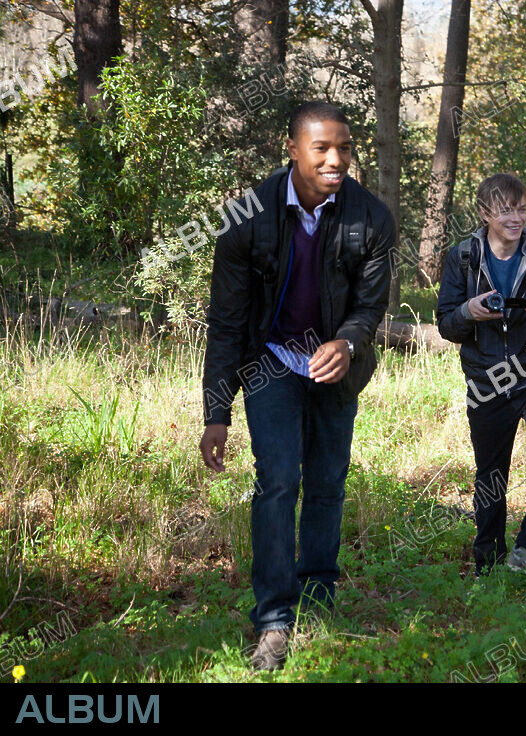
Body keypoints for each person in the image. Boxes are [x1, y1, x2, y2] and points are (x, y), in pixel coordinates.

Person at [199, 101, 395, 670]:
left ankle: (319, 597)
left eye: (344, 148)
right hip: (271, 364)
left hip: (337, 365)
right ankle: (274, 618)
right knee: (279, 481)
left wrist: (348, 344)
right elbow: (228, 322)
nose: (336, 160)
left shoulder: (371, 216)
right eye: (322, 148)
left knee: (328, 482)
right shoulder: (246, 217)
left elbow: (370, 306)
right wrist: (217, 412)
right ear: (292, 150)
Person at [436, 173, 526, 580]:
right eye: (505, 210)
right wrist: (469, 312)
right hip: (486, 380)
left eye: (521, 209)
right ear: (485, 213)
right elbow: (446, 324)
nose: (516, 218)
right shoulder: (463, 256)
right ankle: (488, 563)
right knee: (491, 475)